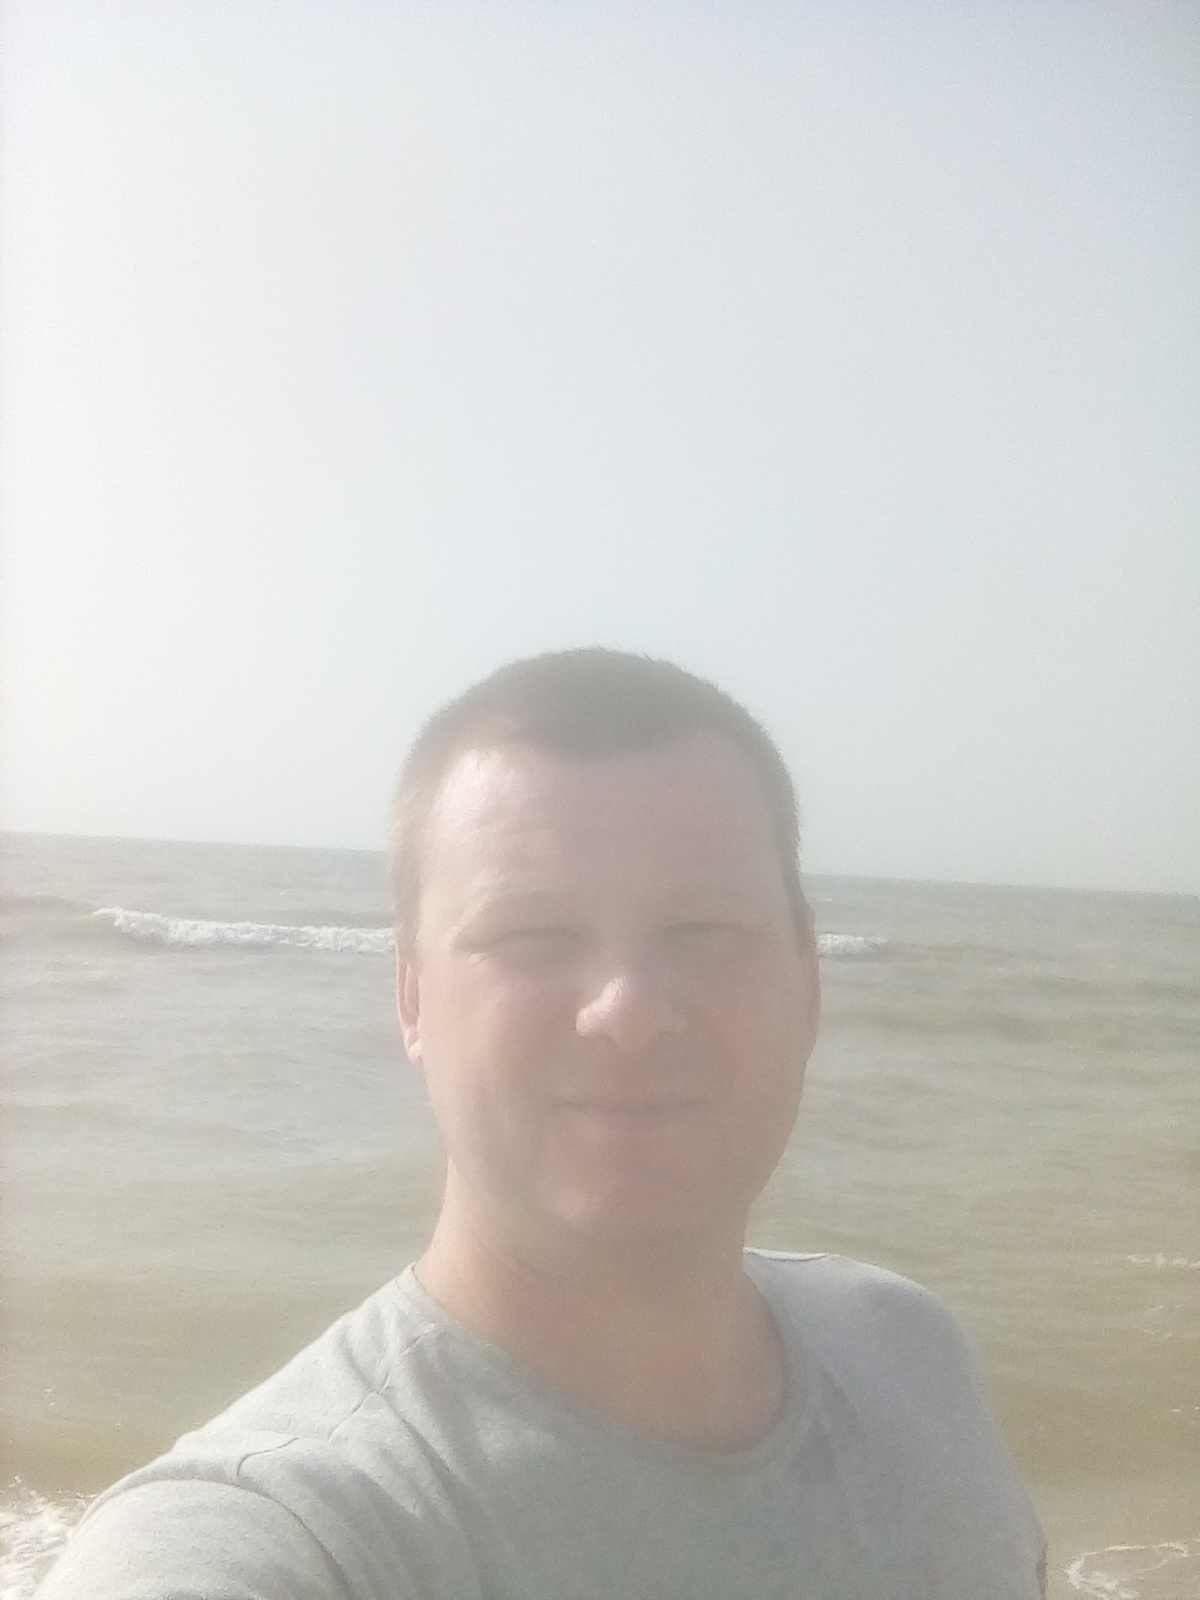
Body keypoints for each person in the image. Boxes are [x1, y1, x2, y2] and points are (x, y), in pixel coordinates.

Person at [38, 648, 1047, 1599]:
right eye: (533, 934)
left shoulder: (910, 1350)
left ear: (808, 982)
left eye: (704, 931)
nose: (628, 1009)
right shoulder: (302, 1527)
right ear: (412, 998)